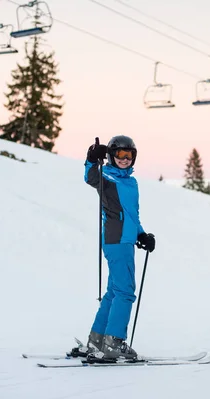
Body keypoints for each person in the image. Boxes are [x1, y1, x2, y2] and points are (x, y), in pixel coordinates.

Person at [79, 135, 156, 360]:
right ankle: (114, 343)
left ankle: (97, 340)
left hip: (124, 240)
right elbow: (90, 177)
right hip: (118, 240)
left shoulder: (130, 182)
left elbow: (132, 215)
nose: (124, 159)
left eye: (129, 155)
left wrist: (141, 234)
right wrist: (92, 158)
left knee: (114, 292)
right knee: (125, 292)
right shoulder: (107, 177)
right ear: (111, 156)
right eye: (120, 154)